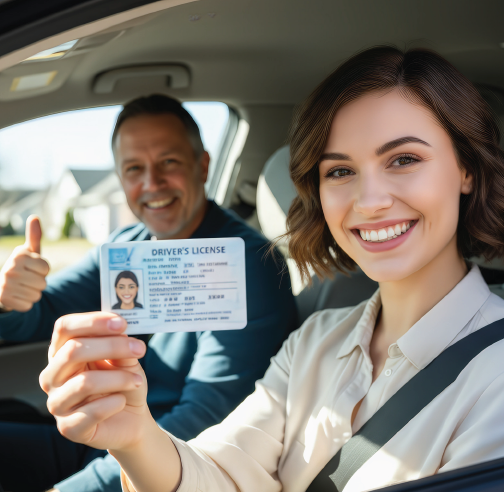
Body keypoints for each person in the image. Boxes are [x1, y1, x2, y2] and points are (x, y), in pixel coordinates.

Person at [40, 45, 504, 492]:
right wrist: (136, 438)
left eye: (404, 160)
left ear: (466, 167)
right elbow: (223, 474)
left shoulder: (494, 376)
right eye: (340, 171)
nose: (370, 201)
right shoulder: (315, 341)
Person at [0, 95, 298, 492]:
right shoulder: (129, 245)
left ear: (202, 165)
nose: (151, 183)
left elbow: (203, 419)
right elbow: (39, 316)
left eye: (169, 162)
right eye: (134, 168)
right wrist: (12, 298)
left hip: (160, 462)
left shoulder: (245, 266)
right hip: (95, 438)